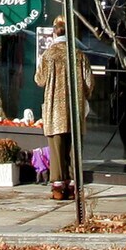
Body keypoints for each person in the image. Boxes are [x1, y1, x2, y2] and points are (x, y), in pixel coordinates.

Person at [36, 16, 90, 201]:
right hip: (75, 109)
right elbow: (89, 83)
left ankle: (58, 187)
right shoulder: (79, 56)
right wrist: (85, 95)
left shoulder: (48, 56)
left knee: (57, 147)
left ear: (53, 34)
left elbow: (39, 80)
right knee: (74, 147)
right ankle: (74, 185)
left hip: (55, 109)